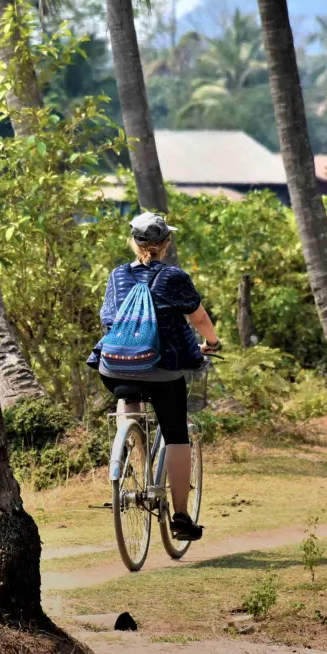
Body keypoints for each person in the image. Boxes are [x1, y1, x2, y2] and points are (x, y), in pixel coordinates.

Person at [89, 212, 219, 541]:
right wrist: (212, 343)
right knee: (176, 435)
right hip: (161, 372)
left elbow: (108, 319)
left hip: (114, 366)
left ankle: (130, 445)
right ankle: (180, 517)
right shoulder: (173, 277)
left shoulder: (117, 275)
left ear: (134, 243)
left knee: (127, 395)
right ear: (166, 244)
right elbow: (199, 317)